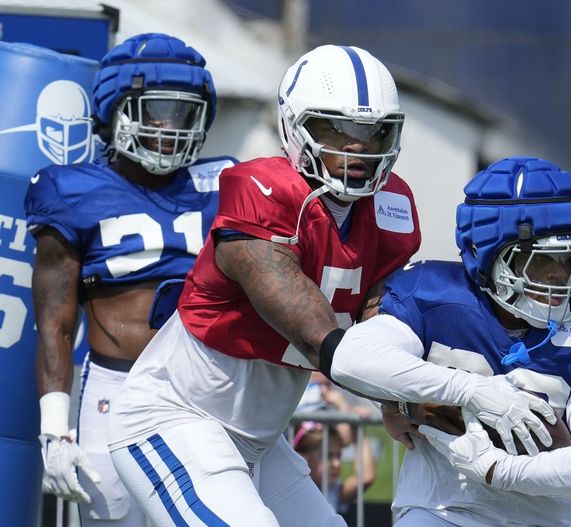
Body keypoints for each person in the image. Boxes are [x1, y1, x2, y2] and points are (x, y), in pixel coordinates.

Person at [103, 44, 426, 527]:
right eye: (335, 128)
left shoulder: (391, 209)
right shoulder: (262, 191)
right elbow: (317, 332)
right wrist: (443, 390)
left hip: (259, 440)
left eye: (372, 131)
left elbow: (382, 328)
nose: (356, 146)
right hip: (174, 418)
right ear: (293, 126)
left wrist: (404, 398)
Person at [329, 156, 571, 526]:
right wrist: (468, 391)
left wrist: (499, 468)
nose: (561, 276)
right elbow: (349, 358)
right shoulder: (434, 298)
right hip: (443, 509)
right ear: (487, 255)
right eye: (543, 261)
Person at [25, 33, 234, 526]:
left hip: (206, 388)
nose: (170, 127)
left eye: (184, 113)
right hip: (114, 390)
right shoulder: (72, 191)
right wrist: (54, 428)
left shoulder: (224, 183)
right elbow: (54, 324)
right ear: (114, 109)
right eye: (156, 110)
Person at [291, 419, 376, 515]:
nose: (337, 464)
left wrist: (357, 426)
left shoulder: (333, 490)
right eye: (328, 456)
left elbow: (365, 477)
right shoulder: (288, 489)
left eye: (339, 456)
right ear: (302, 458)